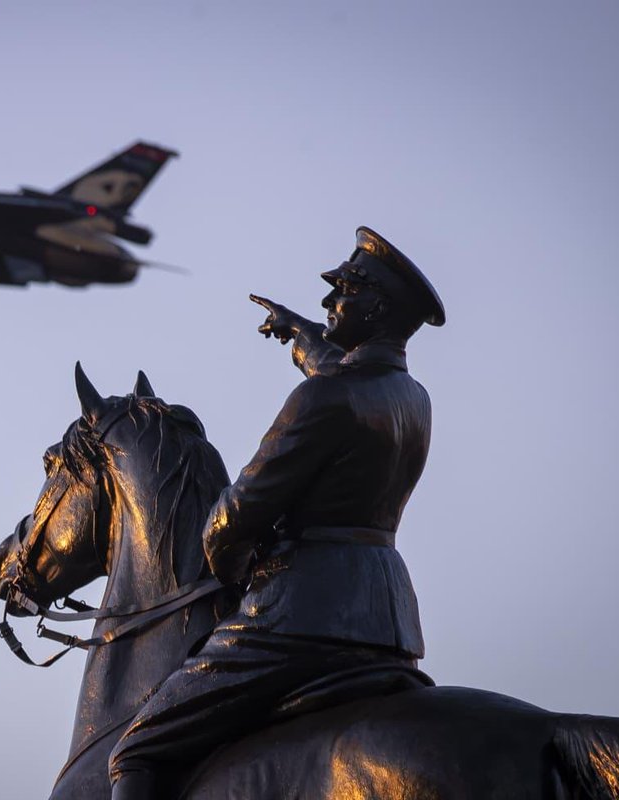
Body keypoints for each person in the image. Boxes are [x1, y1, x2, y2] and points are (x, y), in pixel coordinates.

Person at [108, 226, 446, 799]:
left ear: (377, 306)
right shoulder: (413, 398)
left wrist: (224, 555)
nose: (328, 302)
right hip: (387, 625)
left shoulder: (322, 399)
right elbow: (349, 376)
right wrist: (302, 336)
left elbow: (240, 512)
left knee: (136, 747)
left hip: (300, 618)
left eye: (343, 290)